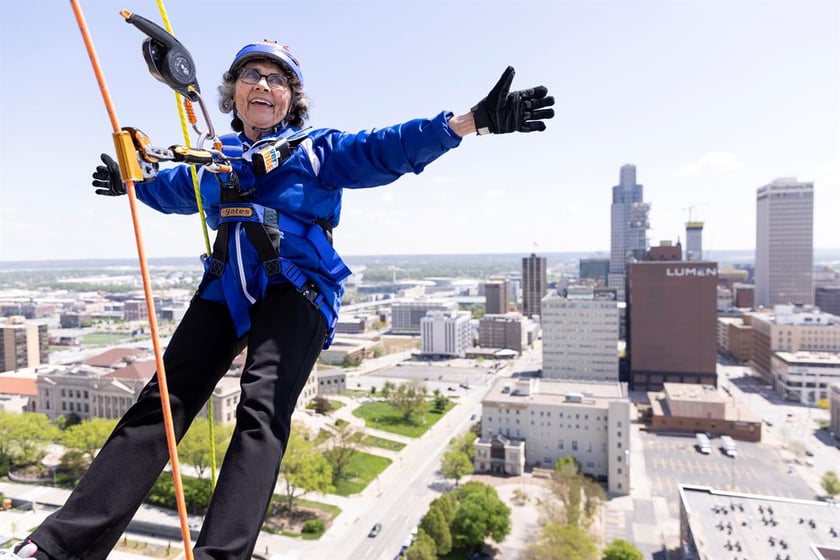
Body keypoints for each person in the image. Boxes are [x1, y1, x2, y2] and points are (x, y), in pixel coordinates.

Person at [9, 41, 554, 560]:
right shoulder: (212, 161)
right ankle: (62, 546)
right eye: (252, 75)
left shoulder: (316, 152)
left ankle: (222, 554)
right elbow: (172, 187)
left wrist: (469, 122)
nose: (263, 85)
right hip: (229, 284)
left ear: (291, 99)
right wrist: (133, 184)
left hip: (299, 288)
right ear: (234, 94)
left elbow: (384, 149)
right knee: (164, 400)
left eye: (277, 79)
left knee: (261, 406)